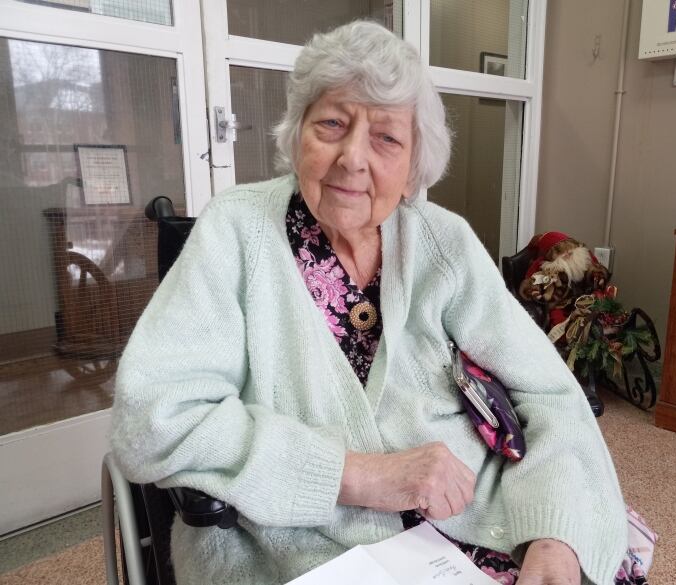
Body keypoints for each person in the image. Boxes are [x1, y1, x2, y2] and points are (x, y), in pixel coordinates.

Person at [111, 20, 633, 585]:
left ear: (413, 168)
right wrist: (357, 475)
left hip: (477, 528)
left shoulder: (443, 242)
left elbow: (549, 393)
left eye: (386, 138)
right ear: (297, 136)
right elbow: (153, 420)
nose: (353, 158)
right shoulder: (235, 234)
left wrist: (554, 537)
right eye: (332, 123)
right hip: (293, 551)